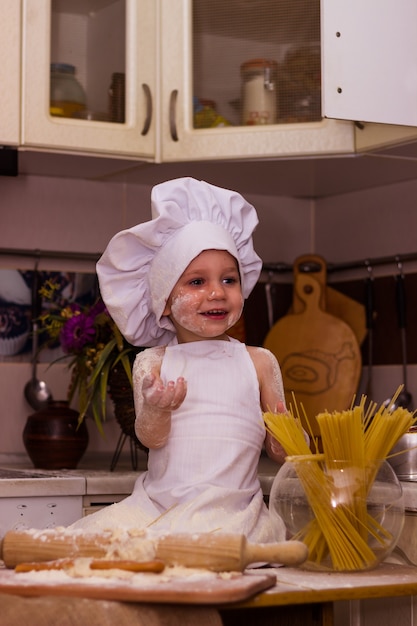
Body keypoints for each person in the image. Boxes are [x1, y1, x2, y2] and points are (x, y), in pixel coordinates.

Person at [70, 177, 287, 543]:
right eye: (197, 282)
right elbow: (152, 439)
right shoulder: (152, 363)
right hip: (158, 510)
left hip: (235, 516)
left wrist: (286, 436)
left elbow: (281, 453)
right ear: (165, 302)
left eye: (229, 279)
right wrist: (157, 410)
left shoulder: (259, 362)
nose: (217, 292)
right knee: (91, 545)